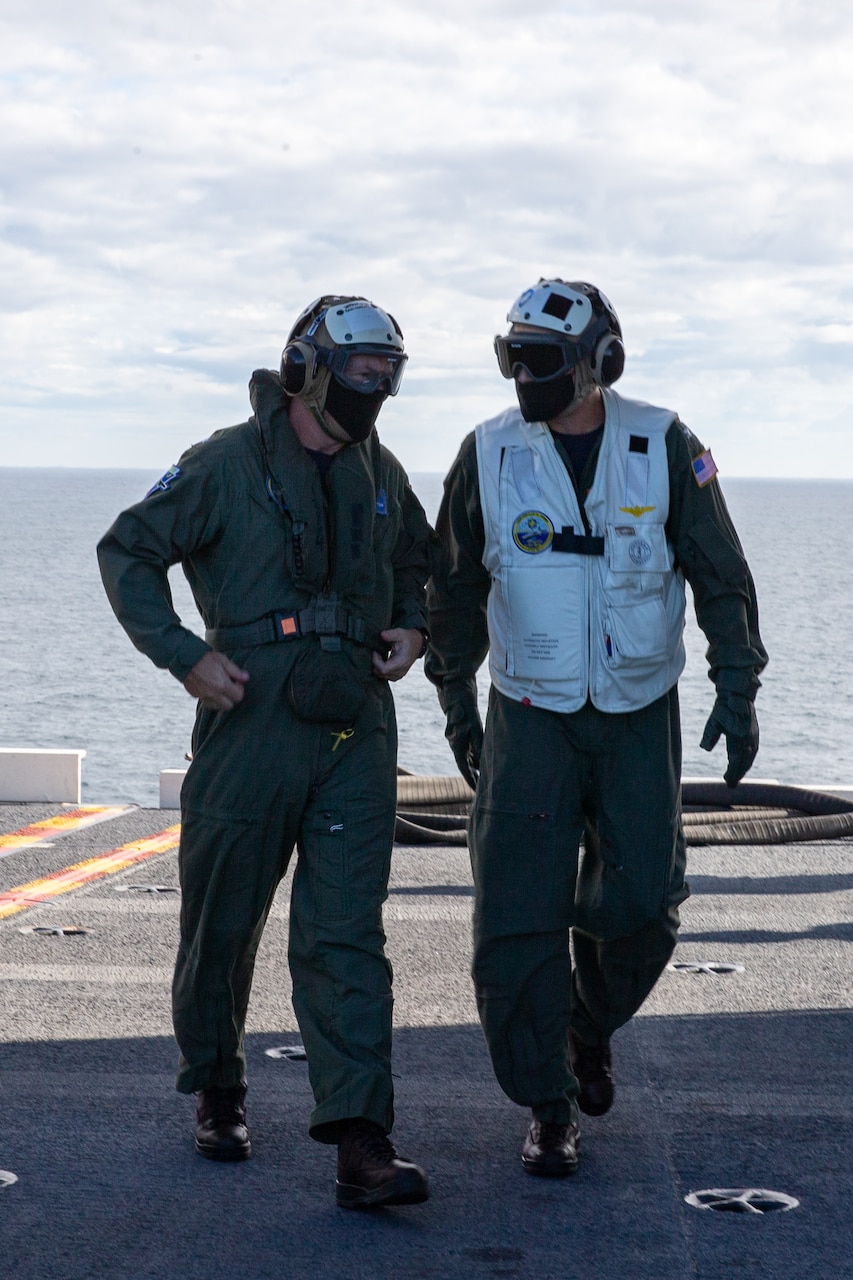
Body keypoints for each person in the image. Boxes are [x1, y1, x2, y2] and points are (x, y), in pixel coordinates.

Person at [425, 278, 767, 1177]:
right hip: (529, 714)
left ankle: (584, 1024)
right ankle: (549, 1104)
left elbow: (719, 574)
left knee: (643, 904)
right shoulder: (488, 452)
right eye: (513, 358)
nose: (521, 376)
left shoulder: (664, 443)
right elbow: (454, 585)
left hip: (634, 712)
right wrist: (455, 697)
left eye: (539, 361)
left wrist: (737, 688)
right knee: (514, 918)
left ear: (598, 365)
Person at [98, 295, 432, 1209]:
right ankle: (216, 1084)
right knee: (221, 924)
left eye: (385, 377)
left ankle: (362, 1142)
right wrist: (184, 656)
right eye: (361, 374)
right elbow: (127, 550)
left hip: (354, 729)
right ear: (306, 369)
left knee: (344, 938)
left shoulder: (380, 470)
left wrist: (411, 626)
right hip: (249, 724)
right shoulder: (223, 463)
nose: (374, 391)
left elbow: (418, 560)